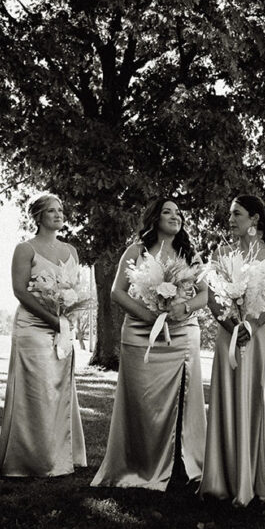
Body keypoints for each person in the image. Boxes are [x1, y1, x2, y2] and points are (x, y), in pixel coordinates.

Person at [91, 198, 208, 490]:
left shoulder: (189, 254)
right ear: (154, 218)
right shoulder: (136, 251)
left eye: (178, 212)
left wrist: (186, 308)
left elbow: (205, 294)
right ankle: (139, 463)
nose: (175, 216)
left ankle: (181, 466)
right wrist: (148, 315)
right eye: (167, 212)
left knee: (183, 400)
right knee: (140, 401)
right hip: (140, 334)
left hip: (181, 334)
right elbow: (117, 292)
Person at [199, 194, 265, 506]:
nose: (231, 219)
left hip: (261, 336)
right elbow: (211, 297)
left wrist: (252, 324)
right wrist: (231, 326)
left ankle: (254, 476)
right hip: (229, 334)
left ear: (254, 219)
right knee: (228, 397)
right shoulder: (220, 252)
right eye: (230, 214)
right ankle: (224, 476)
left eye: (237, 214)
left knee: (258, 399)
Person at [0, 193, 87, 477]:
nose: (59, 215)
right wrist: (52, 319)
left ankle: (60, 454)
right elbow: (20, 290)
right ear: (38, 217)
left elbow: (75, 290)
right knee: (37, 391)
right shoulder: (25, 249)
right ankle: (30, 460)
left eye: (61, 210)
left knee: (60, 389)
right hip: (32, 326)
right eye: (51, 211)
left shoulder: (71, 250)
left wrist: (68, 320)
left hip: (61, 327)